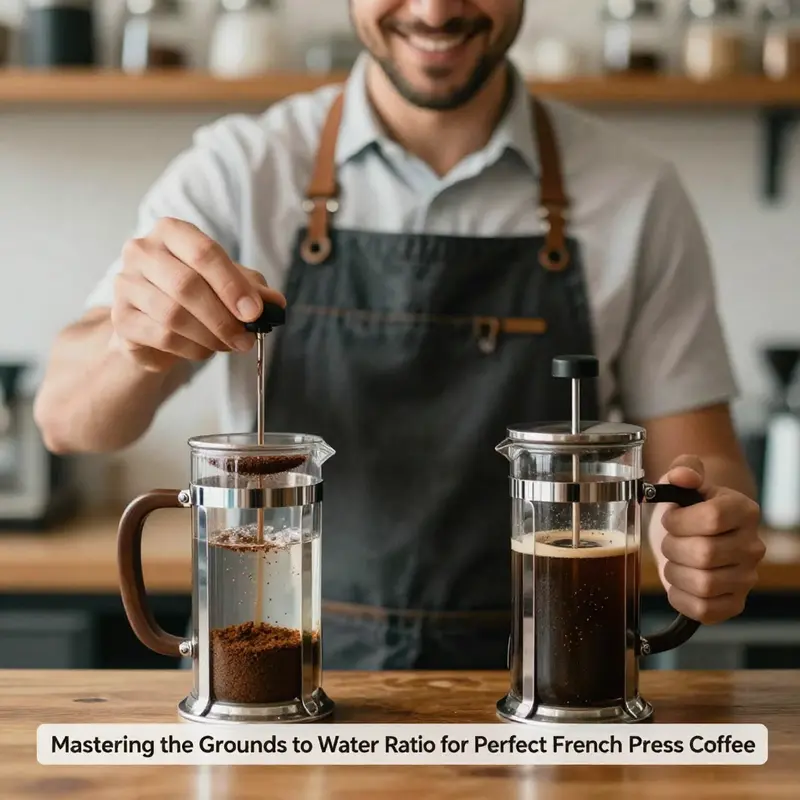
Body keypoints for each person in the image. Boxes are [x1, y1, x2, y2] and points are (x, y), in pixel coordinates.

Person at [34, 0, 765, 670]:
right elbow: (67, 420)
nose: (435, 10)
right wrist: (133, 343)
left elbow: (702, 473)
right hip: (277, 683)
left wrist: (709, 544)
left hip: (553, 686)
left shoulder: (637, 195)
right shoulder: (240, 171)